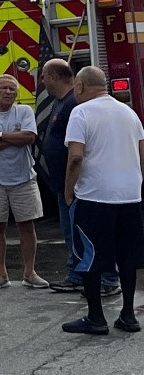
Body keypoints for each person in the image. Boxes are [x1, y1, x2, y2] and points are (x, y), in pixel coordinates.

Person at [61, 65, 144, 335]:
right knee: (127, 258)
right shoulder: (129, 113)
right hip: (130, 197)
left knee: (90, 257)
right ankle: (128, 315)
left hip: (96, 197)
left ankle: (96, 317)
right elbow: (141, 154)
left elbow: (75, 157)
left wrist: (68, 190)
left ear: (81, 87)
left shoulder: (81, 112)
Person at [40, 59, 120, 295]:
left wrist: (71, 184)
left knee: (89, 234)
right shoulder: (61, 103)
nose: (42, 82)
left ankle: (107, 278)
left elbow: (78, 151)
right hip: (63, 182)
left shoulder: (74, 104)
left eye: (44, 76)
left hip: (77, 184)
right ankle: (76, 275)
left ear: (54, 77)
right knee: (72, 234)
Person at [0, 73, 48, 290]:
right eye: (3, 88)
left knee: (27, 225)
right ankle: (0, 274)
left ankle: (30, 273)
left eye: (12, 89)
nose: (7, 92)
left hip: (24, 178)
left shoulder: (24, 111)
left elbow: (29, 138)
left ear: (17, 93)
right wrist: (13, 138)